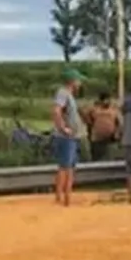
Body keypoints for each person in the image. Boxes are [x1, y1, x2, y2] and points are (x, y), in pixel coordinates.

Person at [50, 69, 85, 207]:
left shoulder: (69, 94)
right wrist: (63, 128)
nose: (80, 83)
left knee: (69, 166)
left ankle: (66, 196)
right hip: (66, 137)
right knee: (65, 166)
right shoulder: (63, 93)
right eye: (78, 80)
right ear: (73, 81)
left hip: (72, 135)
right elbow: (56, 111)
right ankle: (62, 197)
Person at [84, 92, 121, 162]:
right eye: (106, 100)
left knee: (110, 157)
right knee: (97, 157)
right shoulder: (94, 109)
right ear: (101, 100)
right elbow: (85, 117)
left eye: (109, 100)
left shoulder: (114, 109)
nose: (108, 102)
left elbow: (118, 122)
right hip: (97, 138)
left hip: (111, 138)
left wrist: (117, 133)